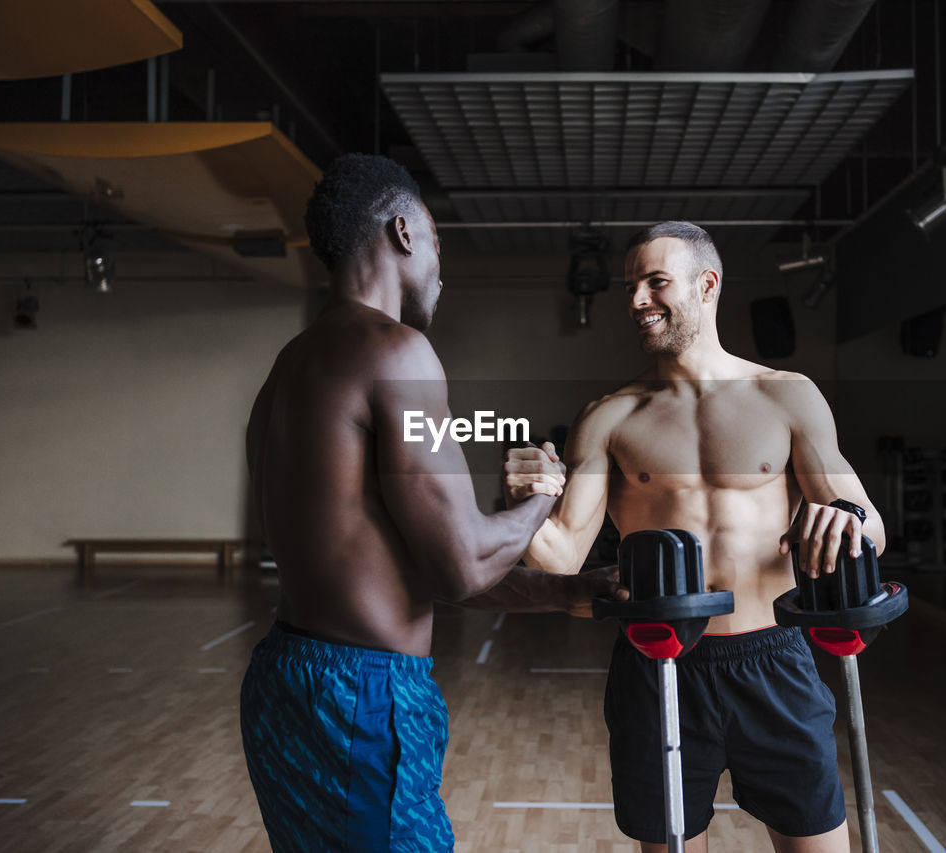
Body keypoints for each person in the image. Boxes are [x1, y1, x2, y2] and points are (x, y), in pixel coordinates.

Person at [240, 153, 621, 853]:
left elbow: (404, 573)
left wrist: (573, 593)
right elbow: (460, 565)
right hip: (362, 697)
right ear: (403, 232)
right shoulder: (398, 352)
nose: (445, 270)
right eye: (439, 245)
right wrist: (543, 496)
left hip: (284, 681)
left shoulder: (285, 373)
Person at [502, 221, 887, 853]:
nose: (636, 300)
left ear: (707, 286)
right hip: (660, 662)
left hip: (775, 658)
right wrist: (528, 506)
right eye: (630, 287)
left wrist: (845, 519)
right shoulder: (609, 417)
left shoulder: (787, 397)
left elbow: (868, 524)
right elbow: (564, 554)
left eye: (656, 282)